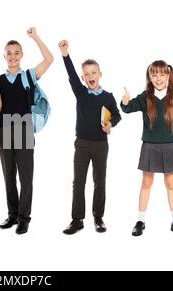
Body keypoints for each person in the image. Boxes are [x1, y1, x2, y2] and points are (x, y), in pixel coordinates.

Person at [121, 60, 173, 238]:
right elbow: (128, 108)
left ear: (168, 76)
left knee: (171, 184)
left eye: (162, 74)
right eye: (154, 74)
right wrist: (125, 102)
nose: (158, 78)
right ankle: (140, 220)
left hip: (170, 146)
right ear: (149, 76)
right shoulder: (145, 97)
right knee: (146, 183)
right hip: (149, 145)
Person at [0, 27, 53, 235]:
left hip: (24, 130)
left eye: (16, 52)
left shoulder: (28, 76)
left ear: (21, 55)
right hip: (6, 129)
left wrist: (36, 36)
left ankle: (24, 218)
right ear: (4, 56)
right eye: (9, 53)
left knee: (26, 178)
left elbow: (49, 59)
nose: (12, 56)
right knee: (8, 176)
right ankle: (12, 214)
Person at [58, 40, 122, 235]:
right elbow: (71, 74)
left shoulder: (108, 96)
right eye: (86, 74)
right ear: (83, 78)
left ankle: (98, 217)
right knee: (78, 182)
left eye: (94, 73)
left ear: (100, 74)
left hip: (101, 145)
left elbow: (117, 115)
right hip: (82, 144)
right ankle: (77, 219)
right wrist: (65, 54)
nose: (90, 76)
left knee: (99, 181)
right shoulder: (81, 93)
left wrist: (111, 123)